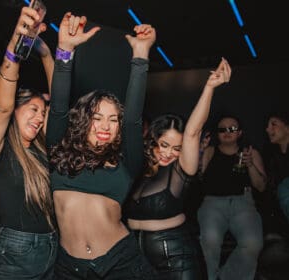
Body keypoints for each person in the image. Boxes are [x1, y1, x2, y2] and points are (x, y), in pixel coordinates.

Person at [46, 12, 156, 279]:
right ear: (83, 120)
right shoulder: (59, 151)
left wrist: (140, 55)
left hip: (121, 264)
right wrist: (65, 51)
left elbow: (133, 117)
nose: (105, 126)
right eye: (96, 118)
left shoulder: (126, 162)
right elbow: (59, 106)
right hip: (68, 269)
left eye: (112, 119)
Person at [123, 58, 231, 279]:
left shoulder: (181, 170)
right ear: (152, 139)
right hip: (137, 259)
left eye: (177, 148)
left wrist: (209, 87)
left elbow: (193, 130)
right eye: (164, 144)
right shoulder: (138, 168)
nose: (168, 153)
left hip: (177, 259)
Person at [0, 7, 56, 279]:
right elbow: (2, 105)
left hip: (52, 247)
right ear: (16, 110)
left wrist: (45, 52)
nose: (39, 118)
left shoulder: (39, 147)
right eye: (33, 110)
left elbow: (59, 104)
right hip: (15, 252)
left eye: (42, 113)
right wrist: (15, 45)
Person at [198, 115, 266, 280]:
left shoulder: (250, 152)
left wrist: (250, 165)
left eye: (232, 129)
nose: (227, 132)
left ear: (240, 133)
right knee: (210, 240)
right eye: (222, 130)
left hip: (243, 202)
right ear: (217, 133)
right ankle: (211, 277)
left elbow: (261, 186)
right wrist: (199, 153)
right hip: (212, 203)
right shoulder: (210, 151)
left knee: (253, 243)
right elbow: (196, 178)